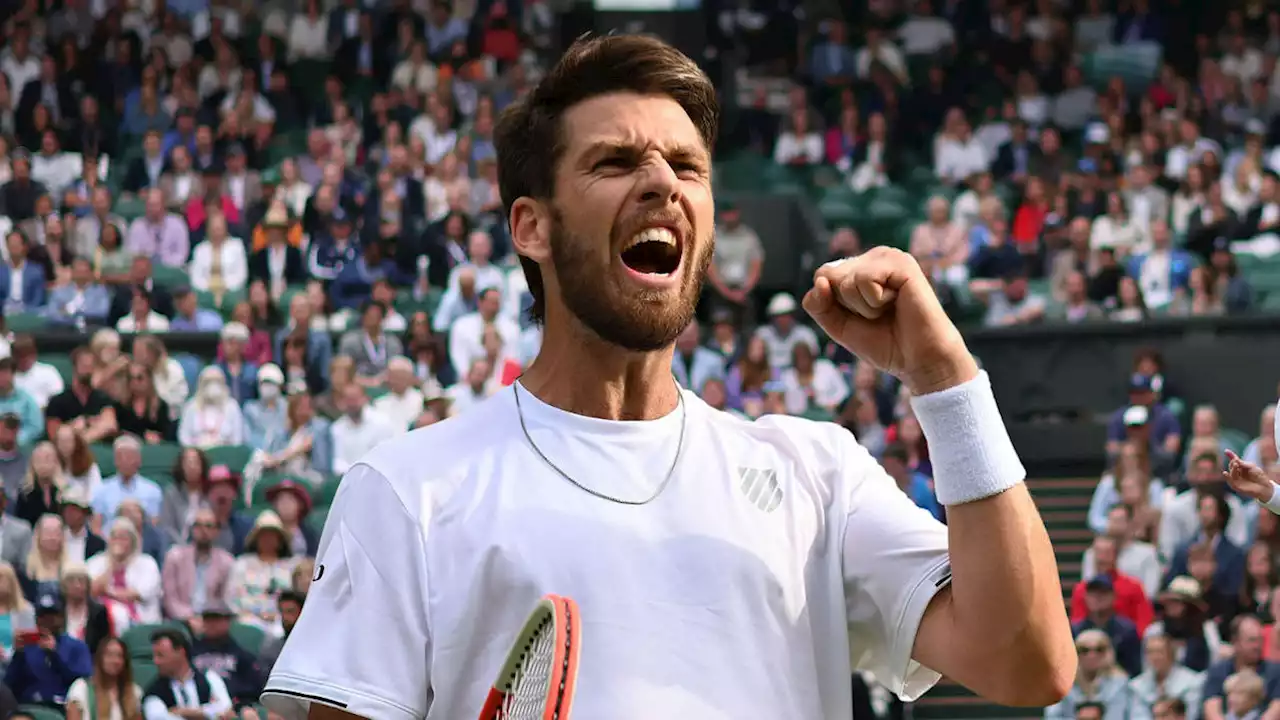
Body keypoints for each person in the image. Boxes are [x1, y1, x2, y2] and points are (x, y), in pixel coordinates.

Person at [262, 35, 1073, 720]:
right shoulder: (410, 491)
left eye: (688, 165)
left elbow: (1029, 662)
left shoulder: (816, 476)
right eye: (615, 162)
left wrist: (945, 380)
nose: (662, 182)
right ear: (531, 226)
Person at [3, 593, 93, 705]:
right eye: (42, 616)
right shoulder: (26, 647)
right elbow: (9, 685)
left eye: (52, 615)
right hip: (30, 708)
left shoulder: (77, 646)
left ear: (61, 618)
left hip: (64, 708)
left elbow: (83, 681)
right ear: (36, 619)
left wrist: (55, 654)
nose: (47, 620)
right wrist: (18, 654)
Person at [142, 627, 234, 720]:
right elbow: (158, 717)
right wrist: (210, 712)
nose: (156, 661)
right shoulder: (154, 692)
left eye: (160, 655)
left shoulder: (208, 677)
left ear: (181, 651)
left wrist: (186, 712)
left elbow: (226, 709)